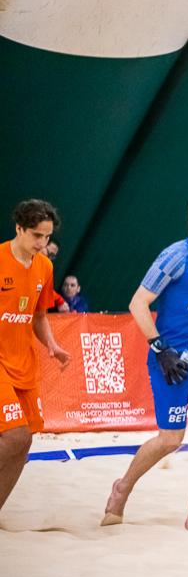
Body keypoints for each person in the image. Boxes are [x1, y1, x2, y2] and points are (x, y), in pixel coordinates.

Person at [103, 189, 188, 530]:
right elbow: (138, 303)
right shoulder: (175, 256)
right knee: (170, 439)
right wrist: (160, 349)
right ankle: (123, 487)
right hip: (173, 362)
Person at [0, 200, 70, 511]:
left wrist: (52, 345)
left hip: (23, 362)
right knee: (15, 436)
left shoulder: (45, 267)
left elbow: (39, 316)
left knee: (24, 443)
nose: (42, 243)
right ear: (19, 228)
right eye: (36, 235)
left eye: (47, 236)